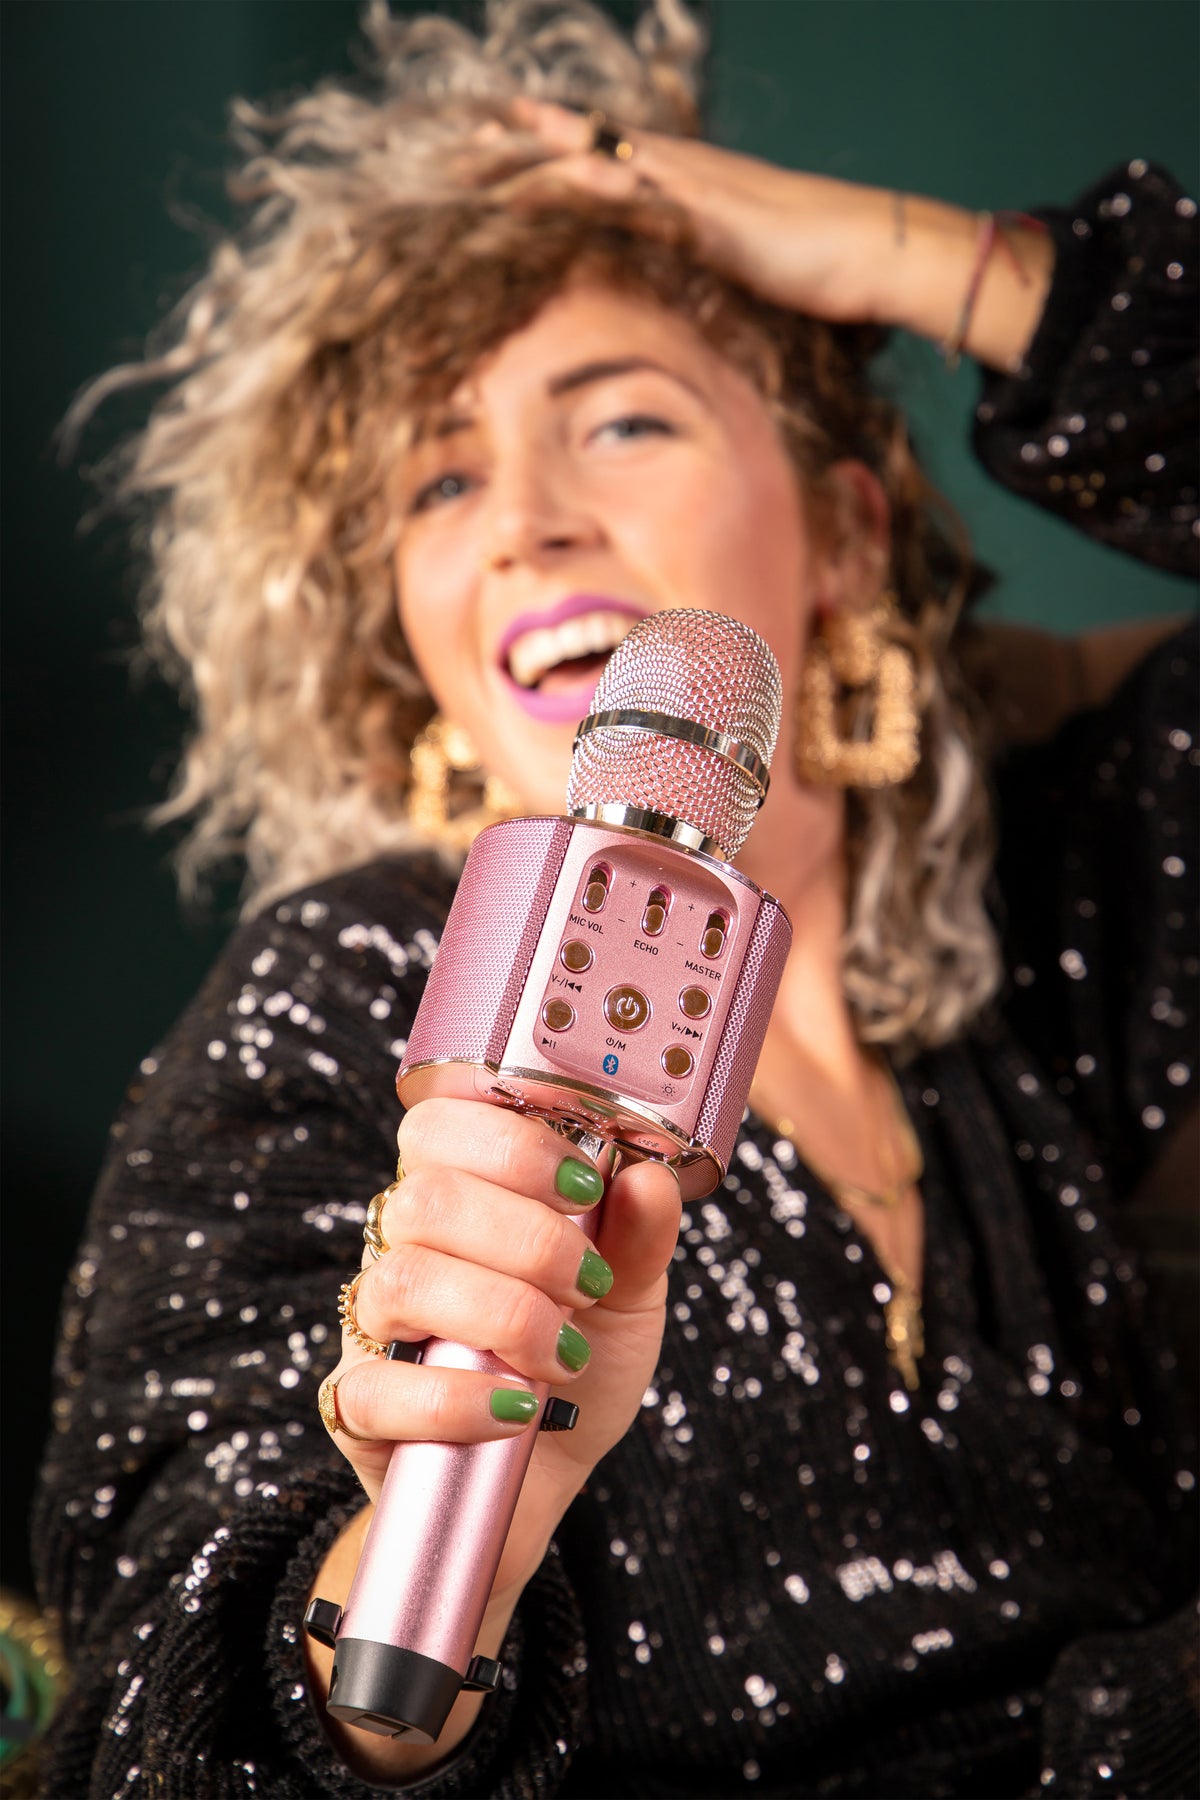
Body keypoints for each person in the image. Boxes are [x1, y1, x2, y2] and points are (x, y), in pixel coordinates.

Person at [35, 2, 1197, 1794]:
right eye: (440, 478)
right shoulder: (338, 996)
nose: (526, 520)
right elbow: (156, 1729)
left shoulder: (1045, 929)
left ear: (850, 533)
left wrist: (917, 257)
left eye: (627, 420)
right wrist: (438, 1579)